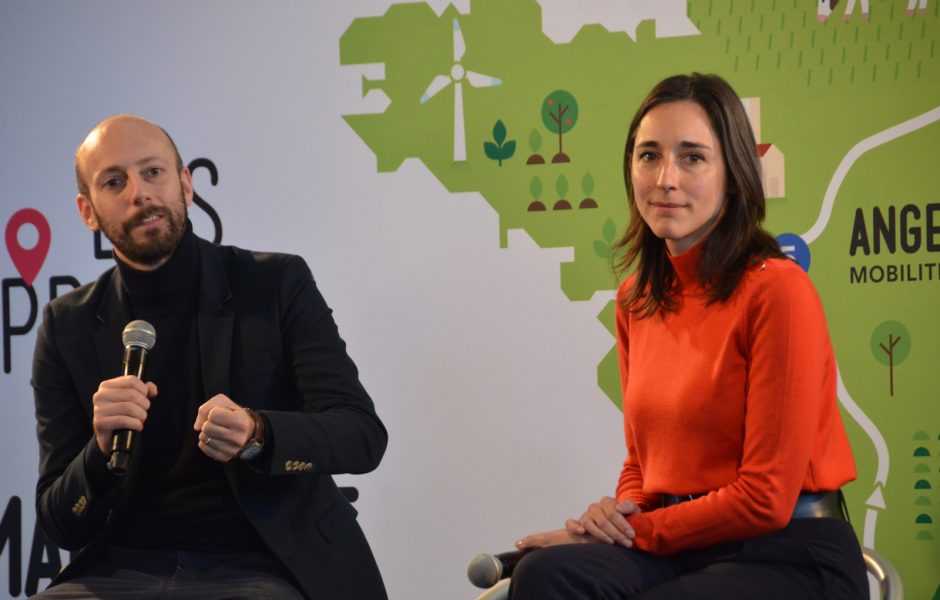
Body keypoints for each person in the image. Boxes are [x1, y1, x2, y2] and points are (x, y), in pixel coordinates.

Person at [510, 74, 868, 599]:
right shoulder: (637, 298)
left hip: (791, 552)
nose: (665, 179)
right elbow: (642, 464)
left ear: (735, 173)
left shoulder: (778, 291)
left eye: (693, 157)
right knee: (544, 574)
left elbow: (766, 497)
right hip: (683, 547)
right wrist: (620, 514)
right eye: (649, 155)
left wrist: (639, 533)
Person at [31, 115, 388, 599]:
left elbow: (360, 436)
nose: (140, 193)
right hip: (120, 567)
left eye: (153, 172)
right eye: (115, 181)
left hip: (264, 561)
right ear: (88, 211)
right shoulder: (66, 324)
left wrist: (259, 432)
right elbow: (59, 523)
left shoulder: (275, 284)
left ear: (185, 183)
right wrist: (96, 452)